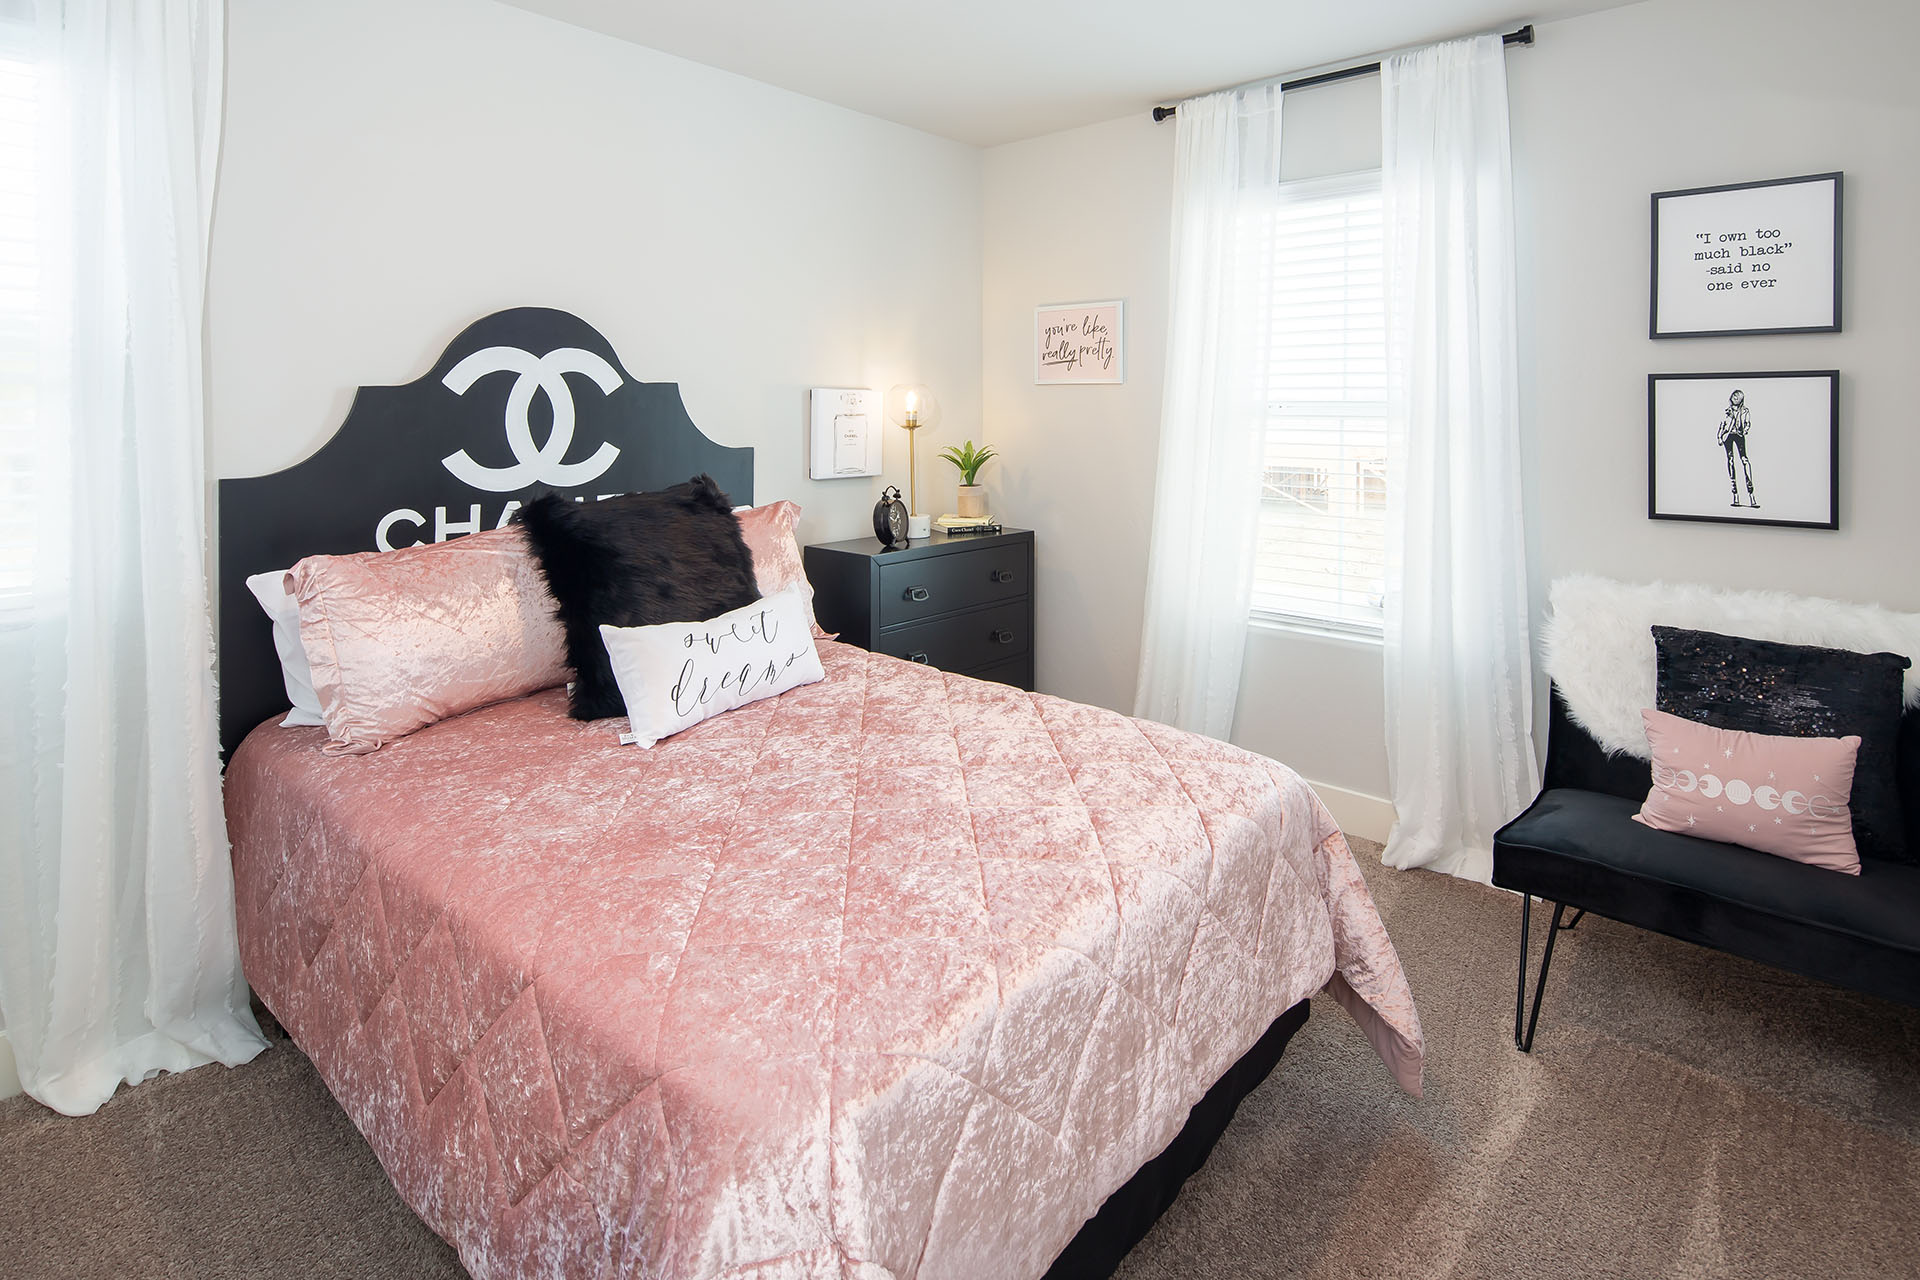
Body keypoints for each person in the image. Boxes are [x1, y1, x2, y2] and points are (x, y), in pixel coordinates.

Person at [1718, 389, 1758, 508]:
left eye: (1738, 396)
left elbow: (1747, 424)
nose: (1735, 397)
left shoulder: (1745, 411)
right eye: (1734, 395)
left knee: (1744, 460)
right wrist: (1719, 436)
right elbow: (1722, 425)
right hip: (1728, 436)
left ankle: (1750, 491)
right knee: (1730, 460)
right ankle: (1735, 492)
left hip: (1739, 435)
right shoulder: (1727, 411)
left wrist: (1745, 430)